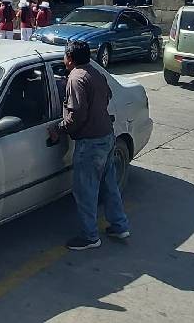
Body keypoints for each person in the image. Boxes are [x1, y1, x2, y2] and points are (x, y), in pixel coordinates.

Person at [47, 40, 130, 251]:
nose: (64, 60)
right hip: (106, 136)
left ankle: (90, 236)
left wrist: (59, 128)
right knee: (109, 184)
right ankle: (119, 226)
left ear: (70, 58)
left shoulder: (75, 78)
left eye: (66, 56)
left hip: (90, 143)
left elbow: (76, 116)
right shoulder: (95, 73)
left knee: (86, 190)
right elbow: (107, 96)